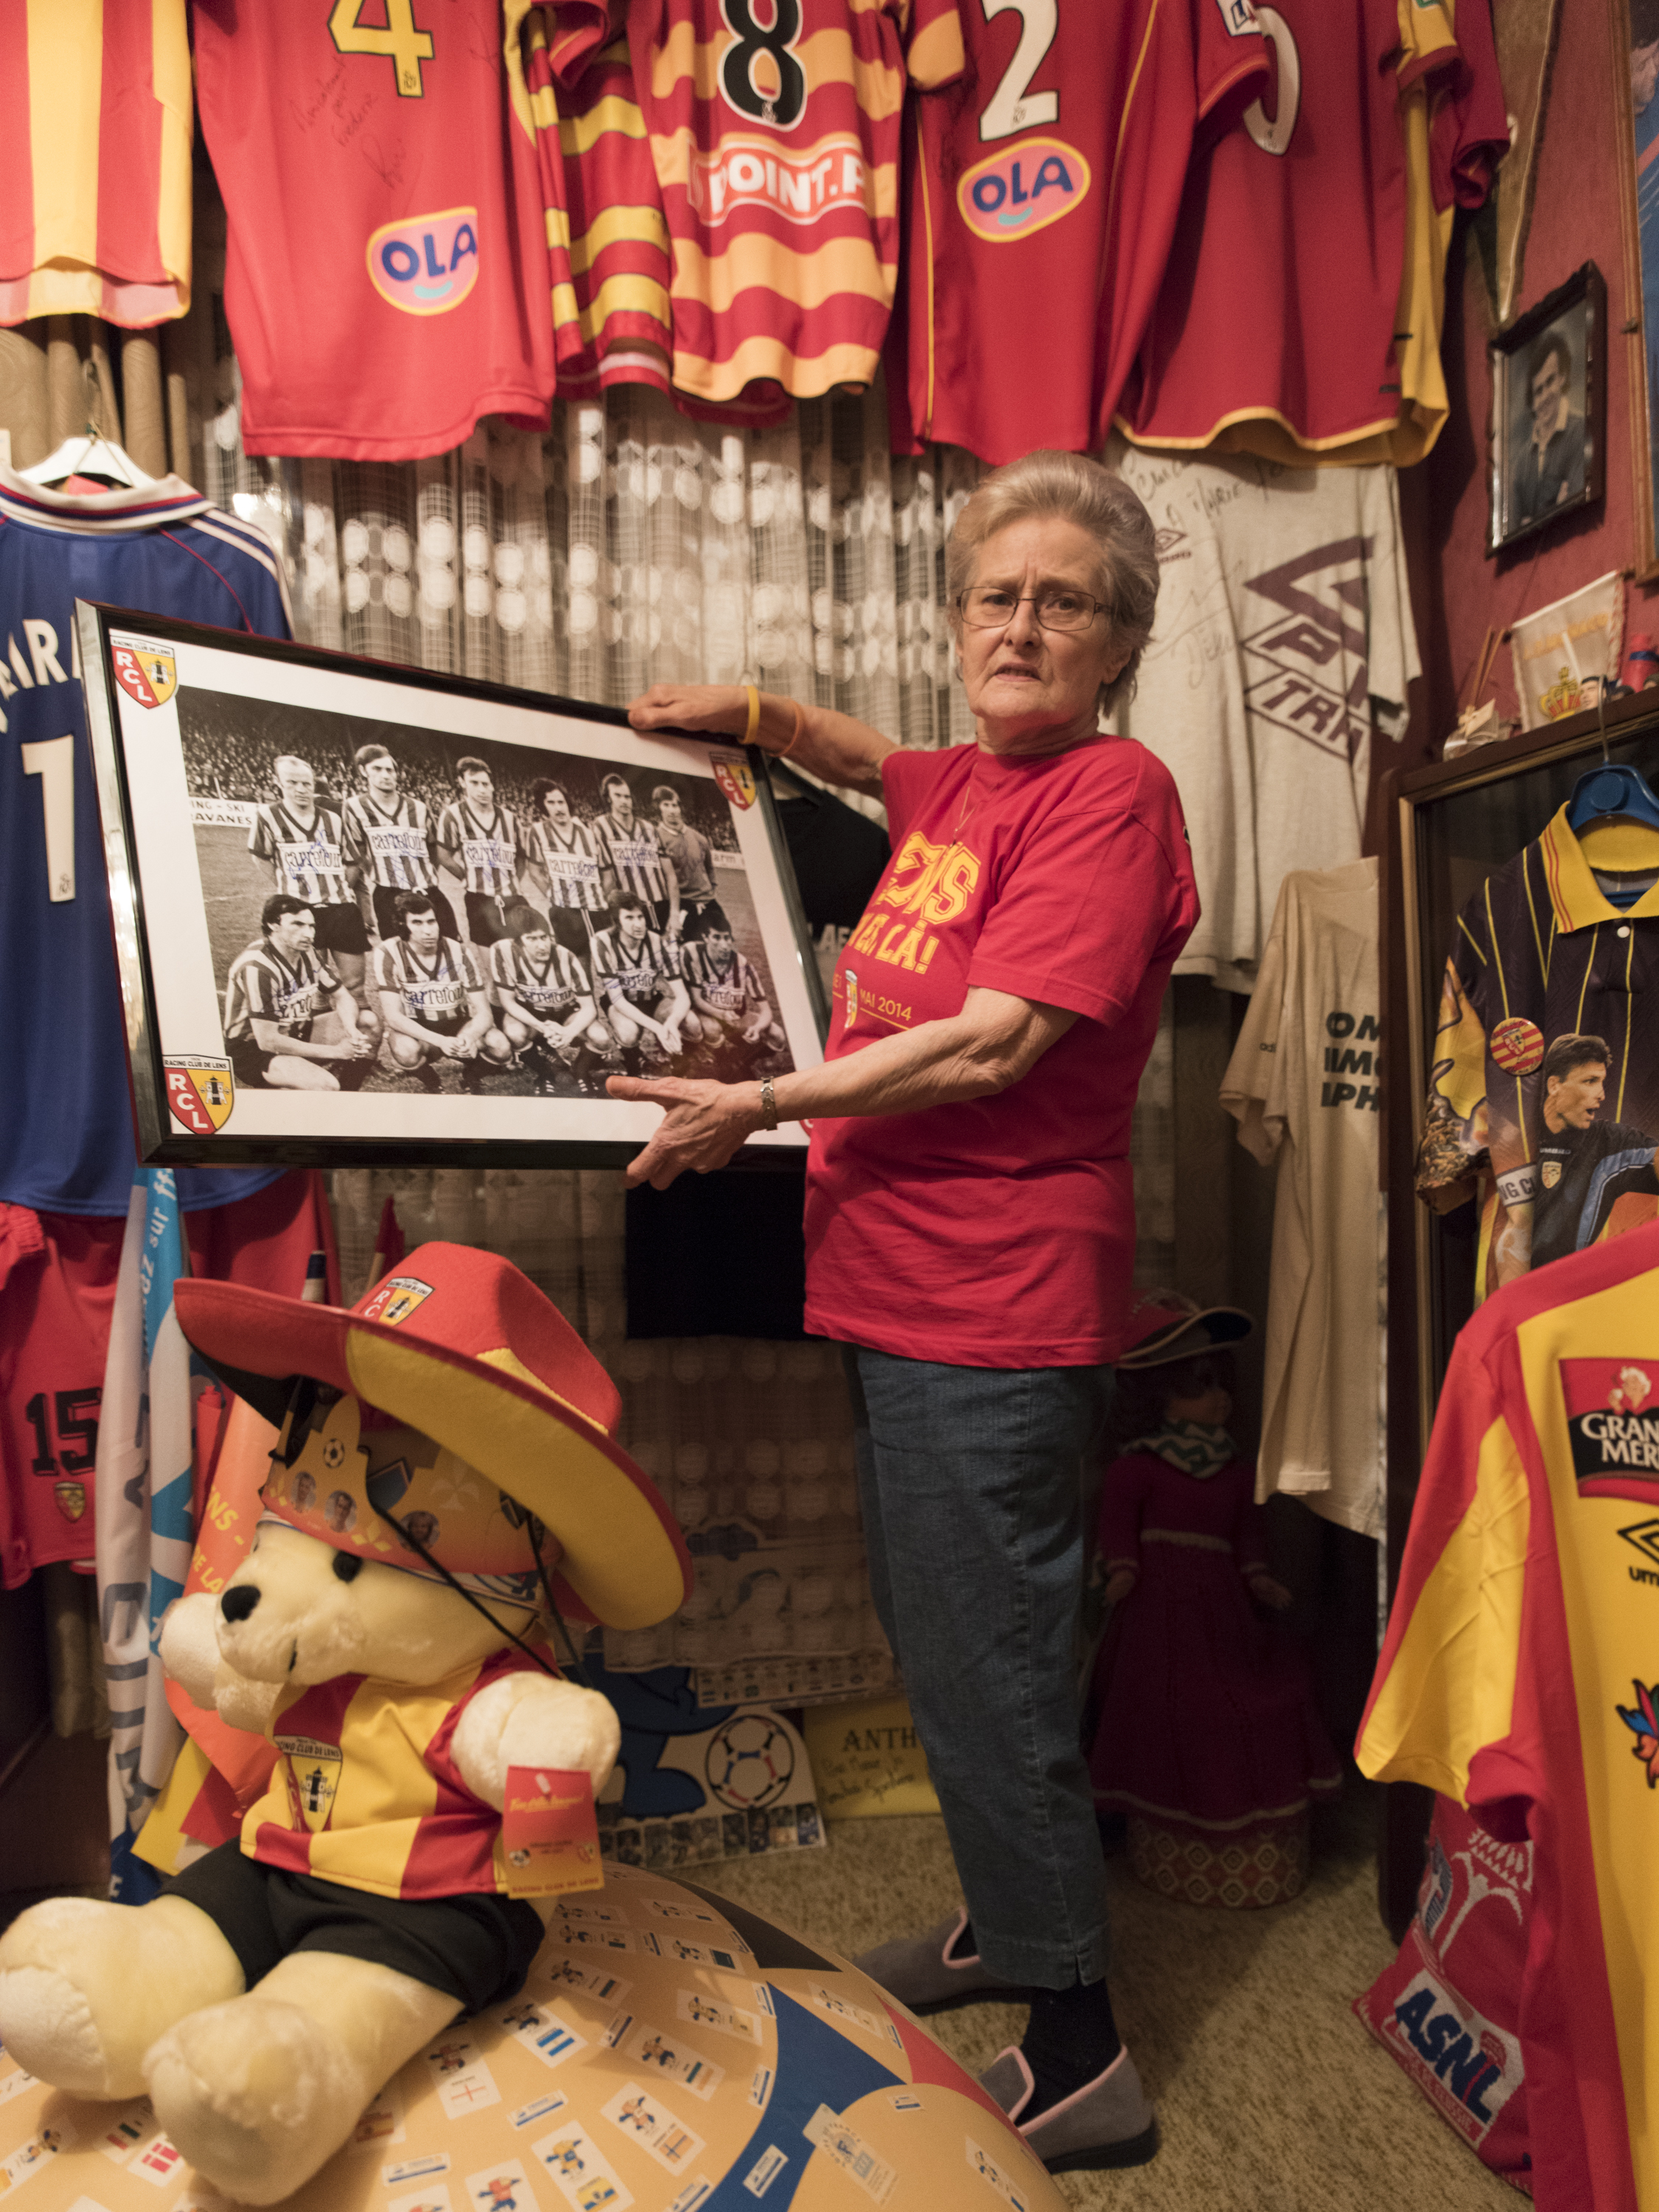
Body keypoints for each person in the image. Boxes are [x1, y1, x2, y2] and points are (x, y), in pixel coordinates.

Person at [614, 448, 1198, 2172]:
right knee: (943, 1645)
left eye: (1061, 601)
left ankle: (1081, 2046)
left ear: (1118, 638)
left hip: (992, 1308)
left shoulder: (1110, 792)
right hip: (890, 1287)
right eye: (992, 595)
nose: (1020, 625)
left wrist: (763, 1105)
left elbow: (1000, 1038)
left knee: (992, 1666)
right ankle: (1003, 1925)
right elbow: (878, 756)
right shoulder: (963, 780)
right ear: (955, 620)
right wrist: (761, 710)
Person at [1086, 1295, 1340, 1907]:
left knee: (1249, 1689)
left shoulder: (1233, 1471)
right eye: (1199, 1388)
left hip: (1220, 1608)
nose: (1218, 1400)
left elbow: (1247, 1537)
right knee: (1161, 1700)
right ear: (1158, 1396)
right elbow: (1117, 1527)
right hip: (1158, 1611)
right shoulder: (1137, 1470)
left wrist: (1259, 1577)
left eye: (1221, 1387)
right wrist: (1121, 1570)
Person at [246, 754, 377, 1019]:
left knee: (355, 988)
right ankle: (320, 1052)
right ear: (278, 783)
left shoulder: (334, 819)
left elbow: (353, 861)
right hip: (298, 914)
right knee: (311, 989)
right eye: (292, 782)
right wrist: (289, 890)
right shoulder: (267, 816)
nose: (301, 789)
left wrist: (339, 889)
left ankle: (363, 1058)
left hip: (341, 912)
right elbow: (260, 857)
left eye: (306, 783)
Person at [1532, 1032, 1659, 1270]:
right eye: (1590, 1081)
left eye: (1602, 1082)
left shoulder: (1611, 1142)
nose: (1601, 1094)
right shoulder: (1514, 1132)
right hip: (1506, 1287)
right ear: (1554, 1085)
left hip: (1567, 1292)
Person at [222, 896, 375, 1091]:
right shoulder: (259, 967)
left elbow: (342, 996)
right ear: (273, 925)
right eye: (298, 925)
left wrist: (351, 1030)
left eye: (311, 926)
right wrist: (337, 1051)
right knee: (325, 1085)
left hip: (294, 1031)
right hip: (254, 1050)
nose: (309, 934)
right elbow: (268, 1041)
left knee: (368, 1022)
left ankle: (347, 1094)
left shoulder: (307, 952)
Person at [372, 891, 507, 1094]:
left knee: (501, 1046)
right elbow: (393, 1017)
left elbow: (484, 1013)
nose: (428, 931)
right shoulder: (388, 952)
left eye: (431, 921)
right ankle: (433, 1084)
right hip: (419, 1031)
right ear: (403, 926)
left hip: (457, 1026)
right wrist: (440, 1041)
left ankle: (472, 1077)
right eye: (417, 923)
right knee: (404, 1050)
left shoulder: (459, 951)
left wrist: (470, 1037)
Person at [489, 906, 616, 1094]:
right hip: (531, 1013)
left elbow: (589, 1008)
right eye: (532, 939)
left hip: (565, 1012)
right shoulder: (502, 951)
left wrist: (569, 1032)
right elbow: (508, 1002)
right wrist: (542, 1027)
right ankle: (544, 1072)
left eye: (544, 937)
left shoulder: (567, 957)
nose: (541, 945)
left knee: (602, 1038)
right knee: (514, 1032)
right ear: (518, 942)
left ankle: (580, 1071)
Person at [341, 741, 459, 945]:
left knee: (450, 949)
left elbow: (433, 850)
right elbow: (358, 853)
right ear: (363, 771)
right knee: (401, 955)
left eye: (390, 770)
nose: (386, 775)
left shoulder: (419, 808)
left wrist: (423, 875)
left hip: (427, 890)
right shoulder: (354, 807)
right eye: (377, 769)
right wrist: (378, 873)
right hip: (388, 895)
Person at [589, 894, 699, 1070]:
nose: (638, 924)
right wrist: (657, 1027)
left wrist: (672, 1022)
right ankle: (633, 1061)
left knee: (691, 1022)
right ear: (617, 921)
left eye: (640, 917)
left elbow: (683, 996)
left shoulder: (658, 942)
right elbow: (618, 999)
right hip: (620, 1003)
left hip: (651, 998)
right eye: (629, 918)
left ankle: (681, 1062)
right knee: (628, 1033)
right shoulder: (602, 941)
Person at [679, 904, 786, 1073]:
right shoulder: (692, 954)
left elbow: (766, 1010)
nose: (724, 945)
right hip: (708, 1016)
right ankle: (721, 1061)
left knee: (777, 1035)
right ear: (705, 937)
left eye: (727, 938)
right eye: (717, 938)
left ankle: (739, 1061)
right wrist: (720, 1014)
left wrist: (757, 1028)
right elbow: (697, 998)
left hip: (736, 1017)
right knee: (711, 1028)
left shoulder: (742, 964)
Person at [435, 755, 521, 948]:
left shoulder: (510, 818)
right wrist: (466, 876)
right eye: (474, 783)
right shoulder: (453, 816)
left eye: (485, 784)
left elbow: (522, 856)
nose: (482, 789)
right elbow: (444, 856)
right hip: (478, 898)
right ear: (461, 783)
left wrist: (514, 879)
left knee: (523, 957)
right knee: (489, 955)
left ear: (492, 786)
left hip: (513, 897)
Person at [591, 772, 681, 939]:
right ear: (608, 798)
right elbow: (608, 879)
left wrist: (675, 913)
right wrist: (613, 915)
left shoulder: (650, 829)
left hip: (662, 907)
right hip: (630, 911)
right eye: (618, 796)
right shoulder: (601, 827)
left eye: (627, 797)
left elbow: (670, 875)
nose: (624, 801)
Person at [524, 776, 607, 958]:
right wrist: (553, 896)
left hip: (598, 910)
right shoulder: (537, 832)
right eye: (551, 803)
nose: (558, 807)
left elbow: (607, 873)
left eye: (561, 802)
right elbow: (535, 871)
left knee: (608, 964)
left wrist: (605, 900)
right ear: (543, 806)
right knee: (578, 965)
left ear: (568, 804)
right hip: (565, 913)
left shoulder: (589, 833)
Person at [1512, 330, 1587, 529]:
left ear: (1562, 378)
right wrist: (1556, 506)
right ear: (1531, 402)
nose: (1544, 397)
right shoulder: (1521, 462)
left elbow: (1575, 511)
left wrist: (1531, 521)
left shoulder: (1580, 432)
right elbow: (1514, 528)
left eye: (1550, 381)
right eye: (1537, 391)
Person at [653, 784, 720, 938]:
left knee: (724, 942)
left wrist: (713, 886)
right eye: (666, 805)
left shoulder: (699, 838)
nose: (672, 810)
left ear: (680, 808)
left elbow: (709, 867)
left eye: (675, 805)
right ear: (659, 808)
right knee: (689, 950)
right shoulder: (656, 837)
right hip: (683, 904)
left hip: (708, 901)